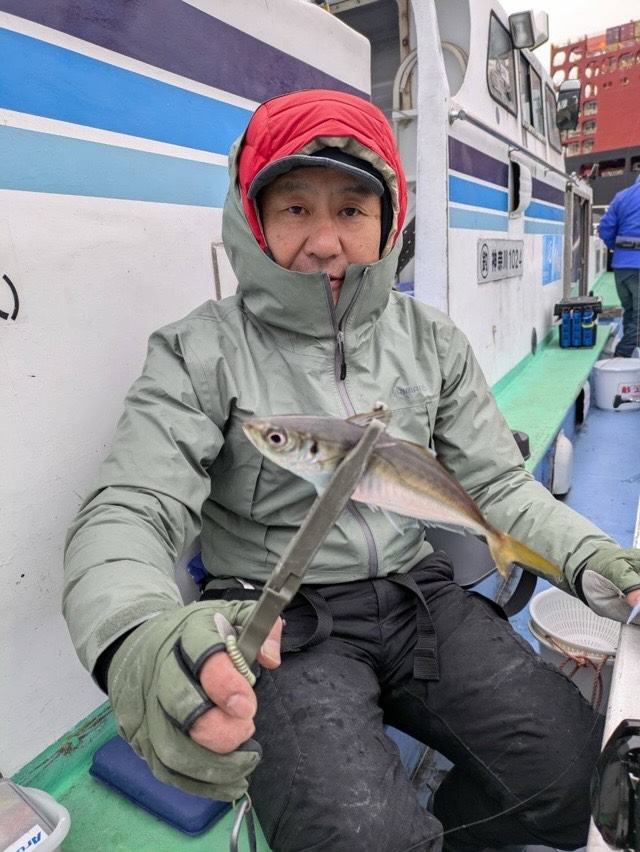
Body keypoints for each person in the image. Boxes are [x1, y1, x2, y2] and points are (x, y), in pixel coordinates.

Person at [63, 89, 640, 852]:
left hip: (418, 594)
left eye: (351, 210)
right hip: (279, 622)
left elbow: (499, 486)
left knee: (580, 776)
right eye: (294, 208)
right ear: (254, 219)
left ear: (387, 219)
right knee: (362, 838)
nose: (325, 242)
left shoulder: (431, 340)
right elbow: (128, 508)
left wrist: (594, 557)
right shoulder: (196, 351)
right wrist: (137, 636)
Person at [598, 174, 640, 357]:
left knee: (631, 314)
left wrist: (620, 249)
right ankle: (623, 356)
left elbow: (605, 229)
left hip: (621, 267)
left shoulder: (622, 196)